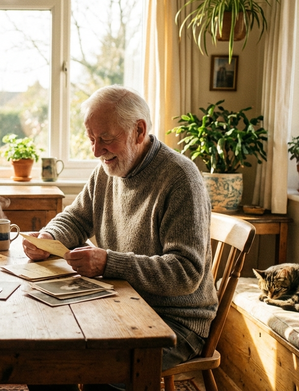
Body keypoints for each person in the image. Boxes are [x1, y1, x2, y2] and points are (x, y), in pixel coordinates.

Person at [23, 85, 218, 391]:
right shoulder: (107, 168)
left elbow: (186, 273)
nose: (96, 151)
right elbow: (77, 217)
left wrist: (108, 262)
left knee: (76, 363)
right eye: (91, 139)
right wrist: (49, 236)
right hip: (119, 298)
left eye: (106, 139)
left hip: (174, 320)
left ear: (139, 131)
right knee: (46, 349)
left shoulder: (181, 178)